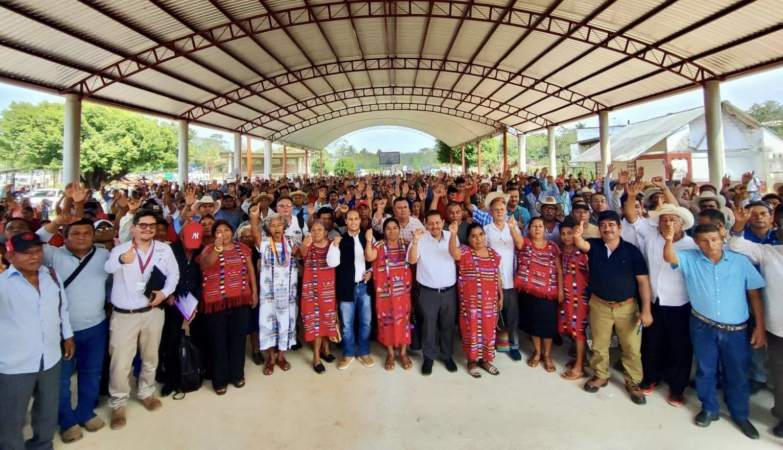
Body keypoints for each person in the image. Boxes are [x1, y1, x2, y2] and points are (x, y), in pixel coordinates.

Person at [664, 224, 766, 440]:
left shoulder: (740, 262)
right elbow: (670, 258)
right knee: (706, 369)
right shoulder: (691, 258)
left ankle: (740, 414)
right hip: (703, 326)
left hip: (736, 330)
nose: (710, 244)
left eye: (714, 239)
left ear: (722, 238)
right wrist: (669, 238)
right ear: (696, 242)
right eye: (704, 240)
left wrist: (760, 327)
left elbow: (754, 295)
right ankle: (709, 408)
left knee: (737, 373)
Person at [623, 181, 698, 407]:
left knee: (679, 347)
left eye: (673, 220)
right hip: (653, 300)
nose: (667, 223)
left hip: (680, 304)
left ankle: (677, 388)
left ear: (682, 224)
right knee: (652, 343)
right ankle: (651, 377)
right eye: (664, 219)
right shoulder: (651, 234)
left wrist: (665, 188)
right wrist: (630, 196)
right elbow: (631, 217)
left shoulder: (692, 245)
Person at [36, 217, 111, 442]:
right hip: (62, 330)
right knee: (62, 378)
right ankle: (67, 420)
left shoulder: (103, 255)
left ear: (94, 236)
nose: (81, 238)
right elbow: (36, 239)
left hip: (96, 326)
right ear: (64, 236)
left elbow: (110, 283)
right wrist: (57, 221)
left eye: (87, 233)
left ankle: (86, 412)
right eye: (75, 233)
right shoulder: (52, 255)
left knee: (92, 372)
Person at [104, 210, 180, 430]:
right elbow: (108, 268)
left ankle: (146, 392)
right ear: (134, 227)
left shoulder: (164, 249)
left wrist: (164, 294)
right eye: (143, 225)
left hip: (152, 312)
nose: (148, 229)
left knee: (150, 356)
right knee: (120, 363)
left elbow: (173, 275)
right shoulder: (120, 250)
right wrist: (121, 260)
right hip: (125, 315)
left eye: (152, 226)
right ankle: (118, 403)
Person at [0, 232, 75, 450]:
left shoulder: (51, 274)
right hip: (14, 362)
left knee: (47, 408)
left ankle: (42, 444)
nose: (35, 256)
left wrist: (68, 335)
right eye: (26, 253)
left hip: (50, 356)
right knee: (11, 415)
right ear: (10, 256)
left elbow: (62, 306)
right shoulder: (3, 283)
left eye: (38, 251)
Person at [572, 211, 653, 405]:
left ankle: (632, 380)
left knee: (631, 347)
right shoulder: (595, 246)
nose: (607, 228)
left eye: (611, 225)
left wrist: (646, 310)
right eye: (603, 225)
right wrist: (577, 236)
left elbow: (643, 282)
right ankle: (600, 375)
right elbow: (582, 245)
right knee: (599, 344)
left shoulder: (632, 251)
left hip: (627, 307)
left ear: (620, 228)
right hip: (599, 305)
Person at [728, 204, 783, 437]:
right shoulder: (768, 252)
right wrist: (740, 223)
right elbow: (736, 245)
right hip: (778, 327)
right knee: (780, 373)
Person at [200, 220, 257, 394]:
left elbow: (250, 270)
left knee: (238, 338)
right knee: (218, 340)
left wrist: (254, 292)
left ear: (232, 232)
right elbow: (206, 264)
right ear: (214, 234)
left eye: (226, 230)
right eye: (219, 231)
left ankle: (237, 374)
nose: (223, 233)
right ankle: (220, 379)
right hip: (216, 301)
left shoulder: (243, 249)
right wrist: (217, 248)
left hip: (240, 299)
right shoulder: (209, 249)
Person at [407, 210, 459, 376]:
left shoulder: (452, 236)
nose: (434, 226)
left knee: (448, 325)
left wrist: (453, 235)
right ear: (425, 224)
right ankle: (428, 357)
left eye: (437, 222)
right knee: (428, 326)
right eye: (430, 223)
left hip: (449, 291)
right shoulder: (420, 239)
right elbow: (412, 260)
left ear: (443, 222)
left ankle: (446, 355)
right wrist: (415, 242)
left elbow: (457, 257)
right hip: (428, 292)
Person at [249, 208, 298, 375]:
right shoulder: (264, 242)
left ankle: (281, 356)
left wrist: (305, 245)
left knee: (285, 323)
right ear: (268, 228)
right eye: (273, 225)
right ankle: (271, 358)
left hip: (288, 293)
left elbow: (303, 253)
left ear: (284, 227)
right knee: (268, 323)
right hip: (268, 293)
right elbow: (254, 234)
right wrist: (254, 218)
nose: (276, 228)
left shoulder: (291, 241)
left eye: (279, 225)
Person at [450, 221, 503, 377]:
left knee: (488, 330)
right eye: (473, 236)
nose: (478, 238)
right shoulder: (465, 252)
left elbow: (497, 276)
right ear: (468, 239)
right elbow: (453, 252)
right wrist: (453, 234)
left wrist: (501, 295)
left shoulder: (493, 254)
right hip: (471, 305)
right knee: (471, 330)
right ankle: (471, 361)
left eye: (481, 234)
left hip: (490, 304)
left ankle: (485, 360)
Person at [160, 222, 204, 397]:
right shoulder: (170, 250)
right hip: (173, 301)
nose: (192, 248)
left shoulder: (202, 251)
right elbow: (161, 274)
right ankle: (170, 379)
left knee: (198, 338)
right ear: (181, 237)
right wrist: (168, 294)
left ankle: (196, 370)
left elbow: (202, 278)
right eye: (189, 243)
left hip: (193, 300)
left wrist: (196, 302)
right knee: (170, 340)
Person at [516, 217, 564, 372]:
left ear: (545, 230)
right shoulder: (525, 243)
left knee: (548, 326)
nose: (537, 229)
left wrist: (561, 291)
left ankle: (547, 355)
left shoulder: (553, 246)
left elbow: (559, 270)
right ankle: (537, 352)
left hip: (549, 292)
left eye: (540, 226)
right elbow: (517, 239)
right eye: (534, 226)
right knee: (534, 324)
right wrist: (511, 227)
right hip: (530, 292)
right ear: (528, 229)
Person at [366, 218, 413, 371]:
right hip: (384, 294)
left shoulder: (406, 245)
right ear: (384, 231)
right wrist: (368, 241)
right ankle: (391, 353)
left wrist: (416, 242)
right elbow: (369, 257)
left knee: (404, 321)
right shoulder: (379, 245)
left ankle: (403, 353)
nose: (392, 231)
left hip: (403, 294)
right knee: (386, 323)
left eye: (395, 227)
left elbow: (413, 260)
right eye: (388, 228)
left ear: (399, 229)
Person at [331, 209, 374, 370]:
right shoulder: (340, 240)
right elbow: (332, 263)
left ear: (360, 220)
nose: (354, 222)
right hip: (346, 287)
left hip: (364, 287)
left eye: (356, 218)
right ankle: (348, 354)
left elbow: (374, 260)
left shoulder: (368, 238)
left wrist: (371, 272)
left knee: (366, 323)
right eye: (350, 219)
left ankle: (364, 352)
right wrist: (335, 245)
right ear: (346, 221)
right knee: (347, 325)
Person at [483, 196, 523, 361]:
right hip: (491, 280)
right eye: (496, 209)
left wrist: (513, 228)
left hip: (510, 279)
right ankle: (491, 343)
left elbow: (520, 245)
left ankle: (514, 345)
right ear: (491, 212)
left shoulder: (513, 227)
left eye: (502, 209)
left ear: (506, 211)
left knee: (512, 314)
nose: (499, 212)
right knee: (491, 314)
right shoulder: (486, 230)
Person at [299, 220, 340, 374]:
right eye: (313, 230)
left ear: (325, 232)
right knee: (316, 322)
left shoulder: (332, 244)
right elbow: (302, 253)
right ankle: (316, 357)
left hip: (328, 290)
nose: (316, 232)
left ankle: (326, 349)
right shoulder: (308, 244)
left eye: (319, 229)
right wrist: (305, 244)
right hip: (311, 290)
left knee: (327, 319)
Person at [557, 217, 591, 380]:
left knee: (579, 330)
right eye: (563, 233)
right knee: (574, 329)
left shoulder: (583, 252)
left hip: (581, 297)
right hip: (569, 297)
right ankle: (581, 360)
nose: (566, 237)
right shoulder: (564, 250)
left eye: (569, 233)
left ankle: (579, 368)